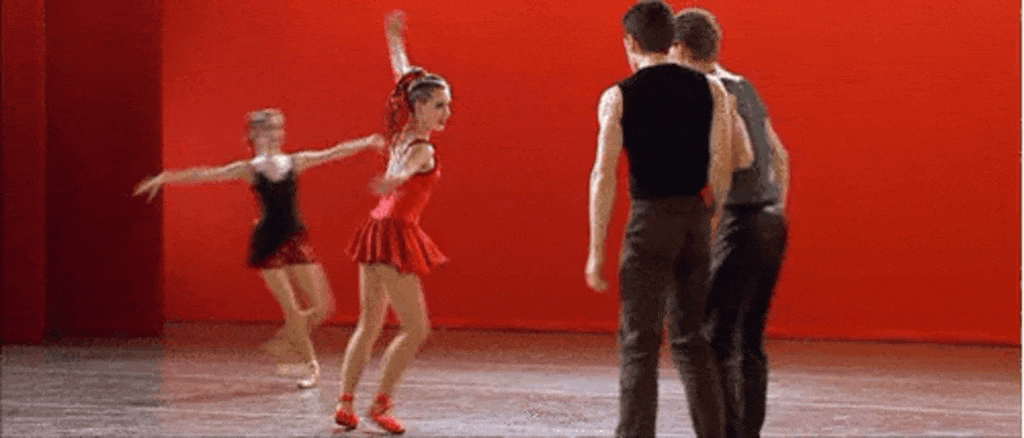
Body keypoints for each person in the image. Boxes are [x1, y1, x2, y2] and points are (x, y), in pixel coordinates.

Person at [584, 2, 752, 437]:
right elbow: (720, 163)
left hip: (649, 221)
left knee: (639, 343)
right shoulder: (711, 91)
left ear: (631, 42)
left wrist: (596, 250)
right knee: (692, 340)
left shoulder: (618, 95)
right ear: (670, 39)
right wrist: (713, 215)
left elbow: (604, 175)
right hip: (693, 217)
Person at [133, 108, 384, 389]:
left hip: (294, 239)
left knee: (322, 307)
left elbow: (333, 152)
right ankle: (311, 367)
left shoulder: (295, 161)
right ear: (254, 135)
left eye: (278, 128)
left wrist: (366, 142)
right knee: (292, 311)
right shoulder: (250, 169)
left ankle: (286, 340)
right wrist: (164, 178)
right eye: (267, 129)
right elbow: (205, 174)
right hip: (266, 242)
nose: (274, 134)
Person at [333, 10, 452, 435]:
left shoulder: (403, 132)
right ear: (418, 107)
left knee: (370, 323)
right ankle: (380, 404)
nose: (447, 112)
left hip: (375, 230)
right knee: (416, 328)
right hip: (394, 233)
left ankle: (346, 404)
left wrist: (395, 40)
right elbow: (407, 171)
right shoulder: (422, 148)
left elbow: (403, 77)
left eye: (448, 105)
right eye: (439, 105)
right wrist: (394, 178)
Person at [674, 8, 791, 438]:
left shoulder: (708, 91)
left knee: (714, 337)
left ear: (681, 48)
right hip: (771, 217)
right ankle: (747, 432)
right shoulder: (744, 85)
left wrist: (713, 220)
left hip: (740, 220)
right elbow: (780, 156)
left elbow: (729, 159)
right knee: (750, 337)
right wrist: (776, 207)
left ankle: (725, 431)